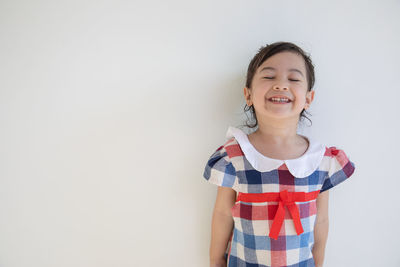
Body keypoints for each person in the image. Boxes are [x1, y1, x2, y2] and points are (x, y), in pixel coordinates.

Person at [202, 41, 356, 267]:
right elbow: (223, 213)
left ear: (308, 99)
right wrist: (216, 260)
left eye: (293, 79)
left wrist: (319, 262)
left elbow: (321, 220)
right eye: (269, 77)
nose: (281, 85)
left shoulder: (321, 161)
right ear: (248, 94)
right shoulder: (234, 156)